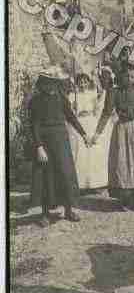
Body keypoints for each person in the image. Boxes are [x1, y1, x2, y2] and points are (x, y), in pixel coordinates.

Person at [29, 66, 89, 226]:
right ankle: (45, 213)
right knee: (46, 177)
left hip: (62, 141)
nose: (50, 86)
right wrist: (39, 147)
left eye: (53, 83)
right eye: (47, 83)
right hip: (45, 143)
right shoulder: (36, 101)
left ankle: (69, 209)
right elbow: (34, 126)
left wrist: (83, 134)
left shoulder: (61, 98)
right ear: (42, 83)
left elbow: (71, 117)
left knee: (66, 174)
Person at [92, 65, 134, 210]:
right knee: (122, 163)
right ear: (121, 77)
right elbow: (106, 112)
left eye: (133, 76)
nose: (130, 79)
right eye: (127, 76)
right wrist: (97, 133)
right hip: (121, 129)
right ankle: (125, 199)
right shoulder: (113, 91)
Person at [68, 72, 109, 189]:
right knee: (80, 149)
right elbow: (70, 112)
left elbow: (97, 108)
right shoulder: (72, 95)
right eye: (80, 81)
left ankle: (95, 182)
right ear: (77, 83)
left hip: (90, 121)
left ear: (88, 82)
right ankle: (80, 182)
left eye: (85, 81)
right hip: (79, 122)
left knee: (93, 150)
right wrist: (74, 107)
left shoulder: (92, 94)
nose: (83, 84)